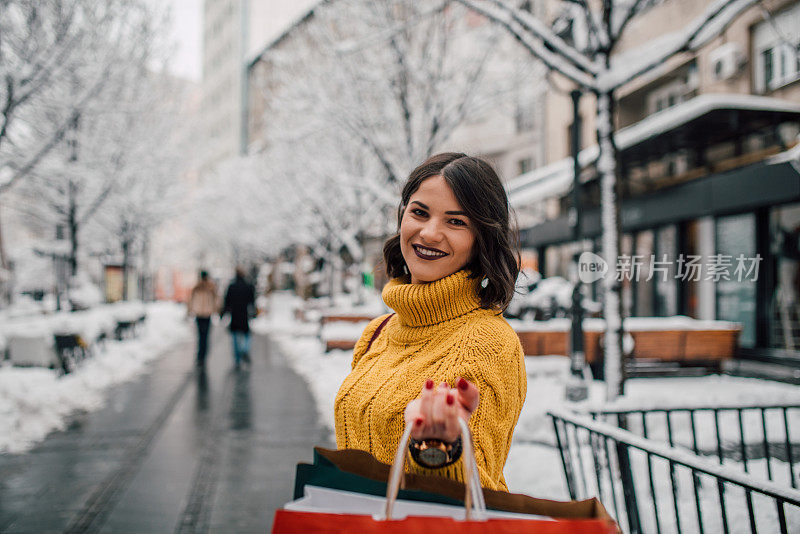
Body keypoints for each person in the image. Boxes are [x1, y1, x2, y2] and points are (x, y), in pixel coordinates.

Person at [334, 153, 526, 491]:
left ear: (481, 238)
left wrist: (439, 451)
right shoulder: (377, 333)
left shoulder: (490, 342)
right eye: (419, 213)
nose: (430, 233)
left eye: (456, 222)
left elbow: (478, 495)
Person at [221, 267, 256, 369]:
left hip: (234, 314)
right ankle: (245, 349)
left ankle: (237, 358)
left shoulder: (231, 287)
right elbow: (252, 300)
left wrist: (223, 313)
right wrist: (253, 312)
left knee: (235, 336)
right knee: (246, 333)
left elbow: (227, 301)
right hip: (244, 314)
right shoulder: (248, 286)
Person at [188, 270, 219, 368]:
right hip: (207, 314)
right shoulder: (211, 287)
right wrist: (216, 309)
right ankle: (203, 354)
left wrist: (190, 310)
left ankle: (200, 355)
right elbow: (216, 300)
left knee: (200, 335)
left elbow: (190, 300)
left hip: (199, 314)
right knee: (205, 336)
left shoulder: (196, 287)